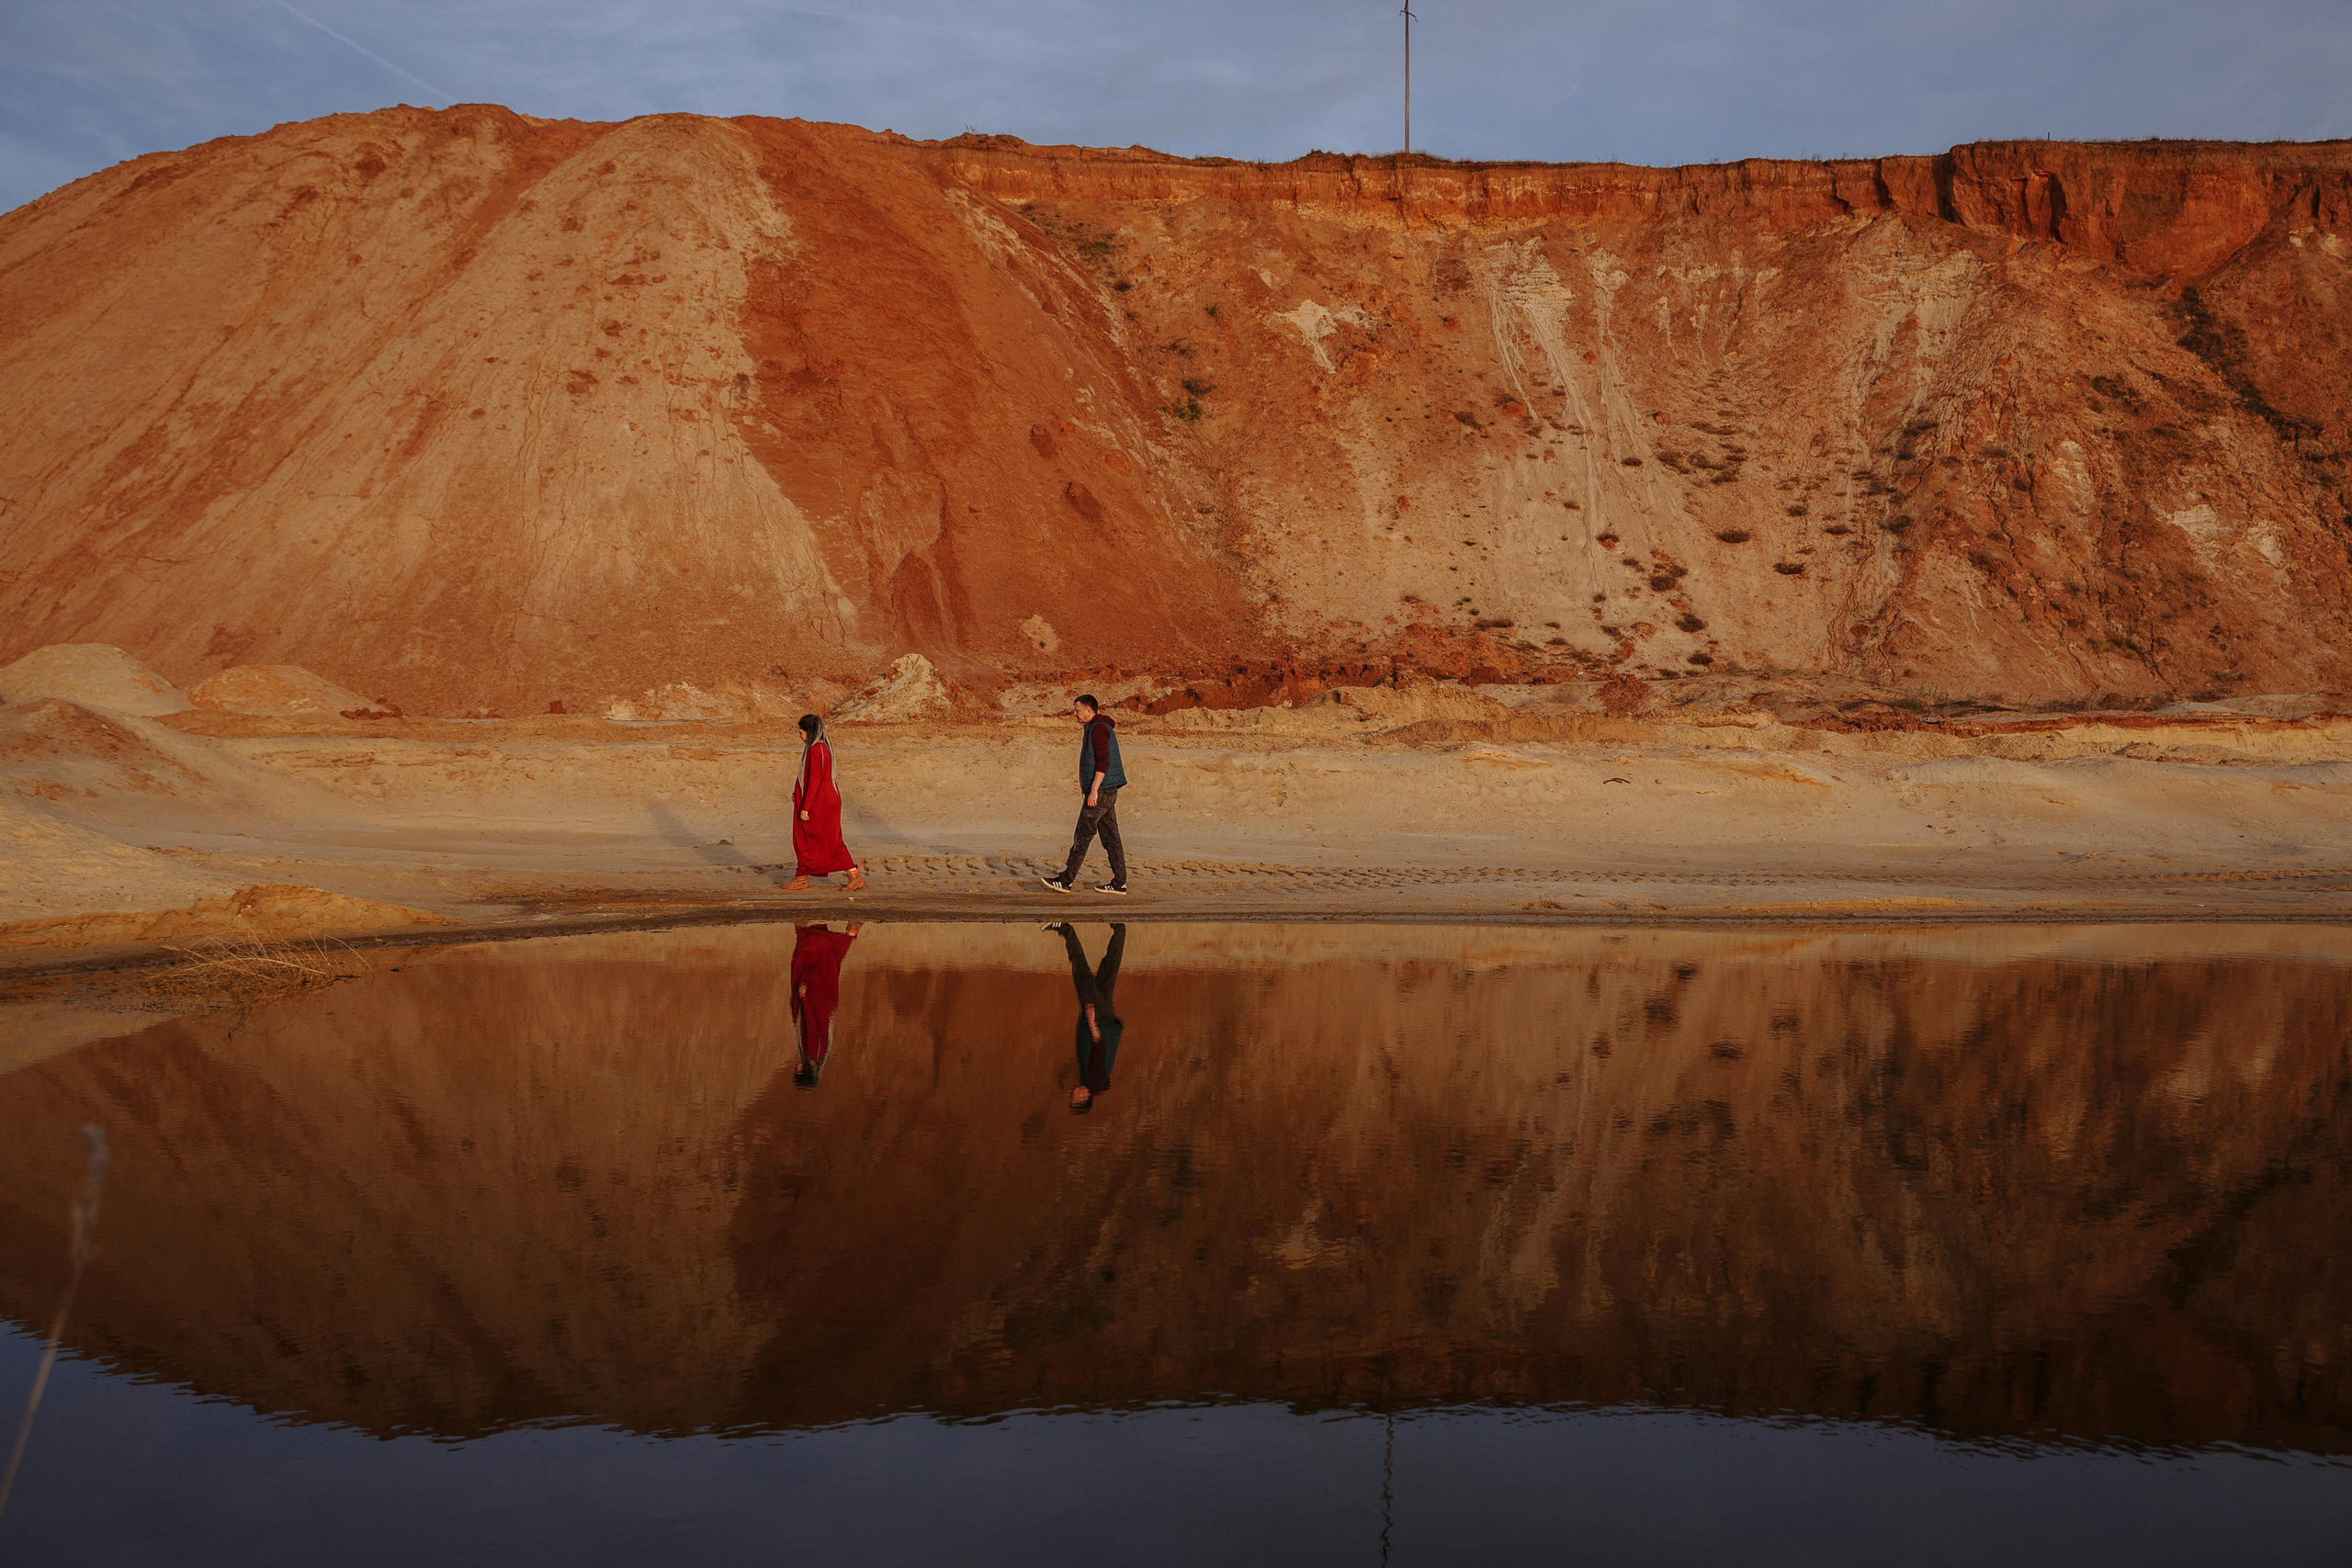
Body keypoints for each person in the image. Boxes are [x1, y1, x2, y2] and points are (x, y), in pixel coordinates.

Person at [1041, 694, 1128, 895]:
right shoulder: (1098, 727)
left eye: (1077, 710)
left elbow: (1103, 762)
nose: (1075, 713)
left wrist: (1094, 791)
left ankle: (1065, 881)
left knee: (1083, 835)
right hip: (1108, 790)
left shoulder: (1098, 729)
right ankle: (1119, 884)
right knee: (1111, 838)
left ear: (1089, 711)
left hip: (1101, 791)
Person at [1051, 920, 1125, 1111]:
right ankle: (1066, 930)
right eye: (1074, 1098)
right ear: (1084, 1096)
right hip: (1098, 1019)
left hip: (1107, 1020)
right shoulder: (1093, 1078)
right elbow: (1099, 1050)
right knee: (1081, 972)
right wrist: (1091, 1021)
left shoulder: (1097, 1082)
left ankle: (1120, 931)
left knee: (1109, 970)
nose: (1072, 1093)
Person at [790, 713, 866, 893]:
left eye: (800, 733)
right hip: (824, 801)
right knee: (823, 839)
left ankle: (852, 875)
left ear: (808, 732)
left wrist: (805, 807)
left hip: (819, 803)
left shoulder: (816, 750)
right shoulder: (822, 749)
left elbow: (815, 781)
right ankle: (802, 876)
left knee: (813, 839)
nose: (800, 737)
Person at [790, 920, 861, 1088]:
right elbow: (812, 1027)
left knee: (827, 965)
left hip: (824, 1003)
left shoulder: (820, 1055)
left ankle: (851, 931)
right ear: (802, 1071)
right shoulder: (811, 1053)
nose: (795, 1067)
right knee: (812, 961)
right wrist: (804, 998)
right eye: (797, 1071)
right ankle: (805, 928)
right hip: (815, 1000)